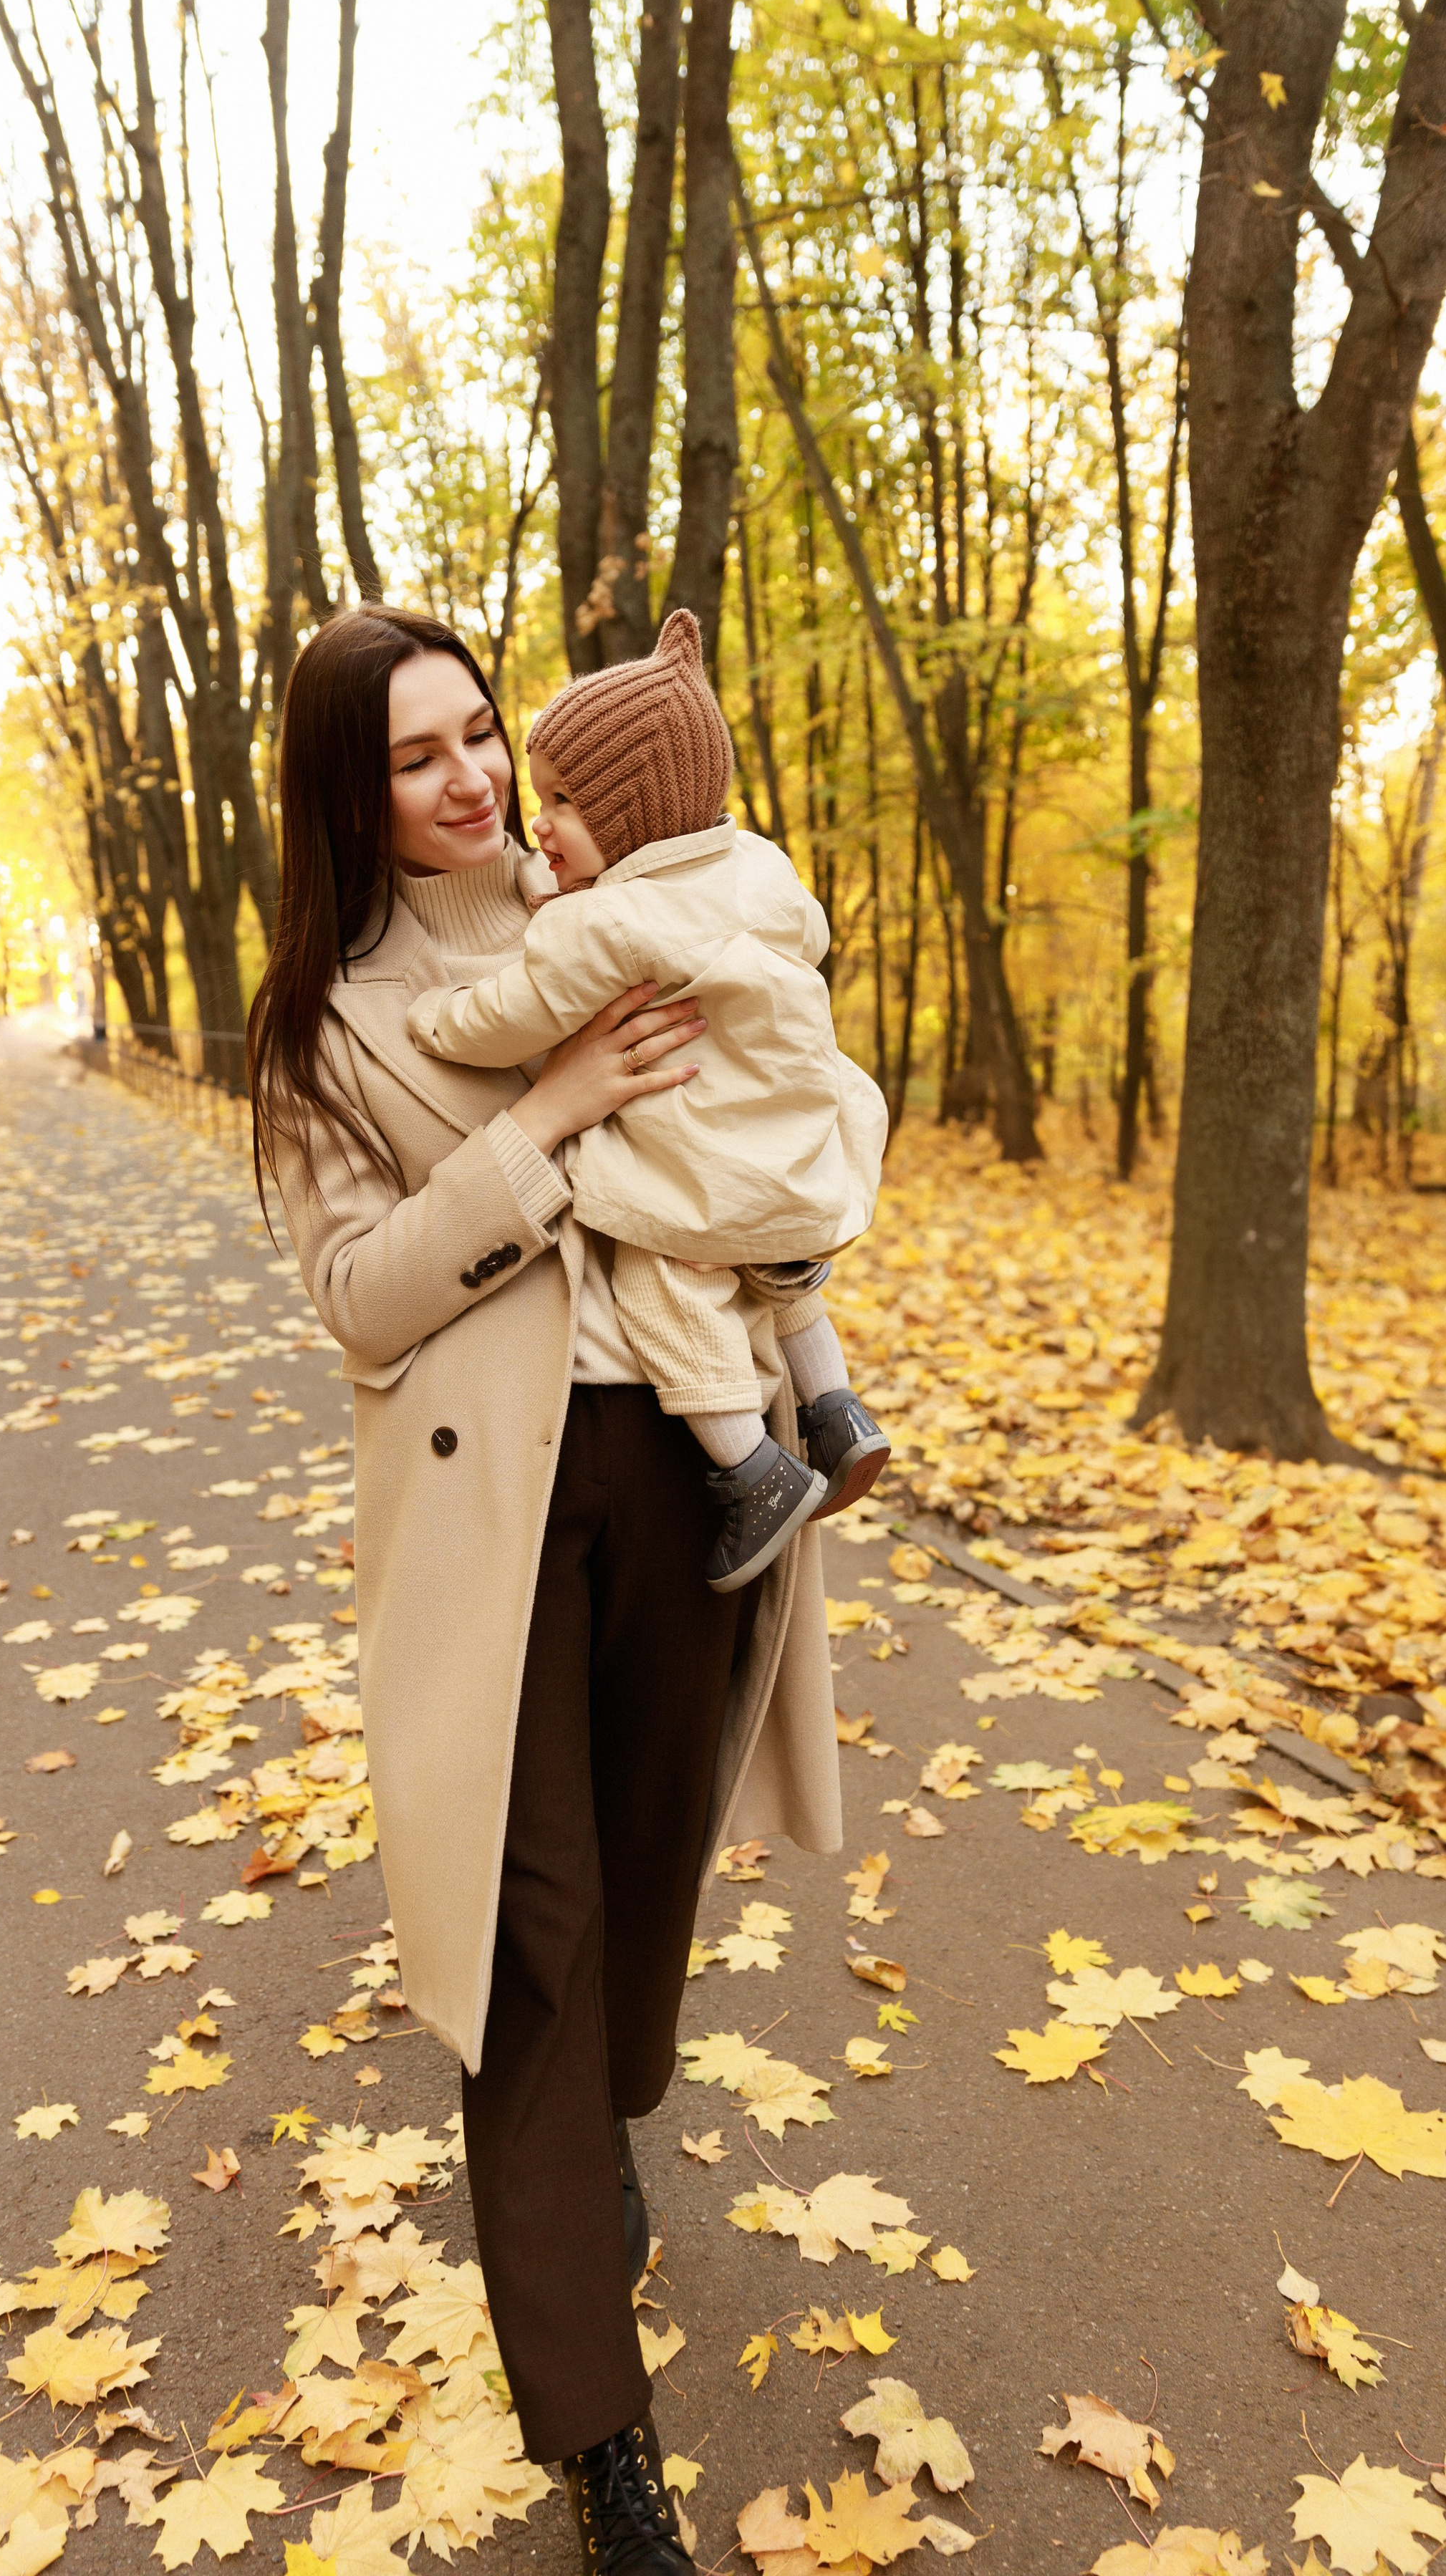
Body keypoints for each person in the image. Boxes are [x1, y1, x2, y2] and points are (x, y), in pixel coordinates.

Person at [250, 604, 844, 2576]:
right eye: (419, 759)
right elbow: (360, 1301)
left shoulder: (642, 882)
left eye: (483, 736)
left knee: (650, 1892)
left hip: (696, 1480)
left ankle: (599, 2133)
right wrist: (543, 1120)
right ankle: (602, 2437)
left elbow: (784, 1107)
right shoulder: (325, 1025)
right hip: (494, 1521)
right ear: (355, 791)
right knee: (538, 1955)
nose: (474, 779)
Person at [407, 607, 891, 1591]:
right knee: (780, 1275)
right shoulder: (758, 865)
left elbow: (516, 1012)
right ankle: (837, 1412)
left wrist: (438, 1021)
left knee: (665, 1286)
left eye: (567, 805)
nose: (537, 821)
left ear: (629, 823)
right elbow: (812, 931)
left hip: (704, 1177)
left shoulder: (608, 924)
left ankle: (753, 1470)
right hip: (803, 1148)